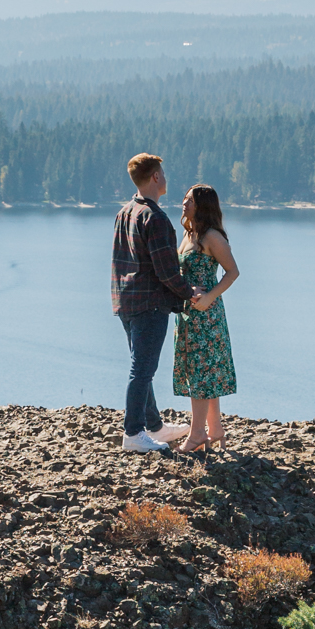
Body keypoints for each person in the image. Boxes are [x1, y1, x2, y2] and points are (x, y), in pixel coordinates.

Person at [110, 153, 205, 453]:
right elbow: (167, 271)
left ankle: (154, 427)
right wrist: (189, 292)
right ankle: (133, 433)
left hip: (125, 301)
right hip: (150, 304)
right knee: (142, 370)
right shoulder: (155, 218)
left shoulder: (125, 212)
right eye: (162, 172)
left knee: (141, 365)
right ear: (154, 177)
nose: (165, 177)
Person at [172, 184, 239, 452]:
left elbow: (233, 272)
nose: (184, 203)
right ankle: (216, 429)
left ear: (203, 205)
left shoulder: (212, 237)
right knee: (203, 373)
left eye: (189, 200)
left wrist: (210, 296)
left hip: (207, 316)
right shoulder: (189, 235)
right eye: (185, 198)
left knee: (201, 374)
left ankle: (198, 434)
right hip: (188, 314)